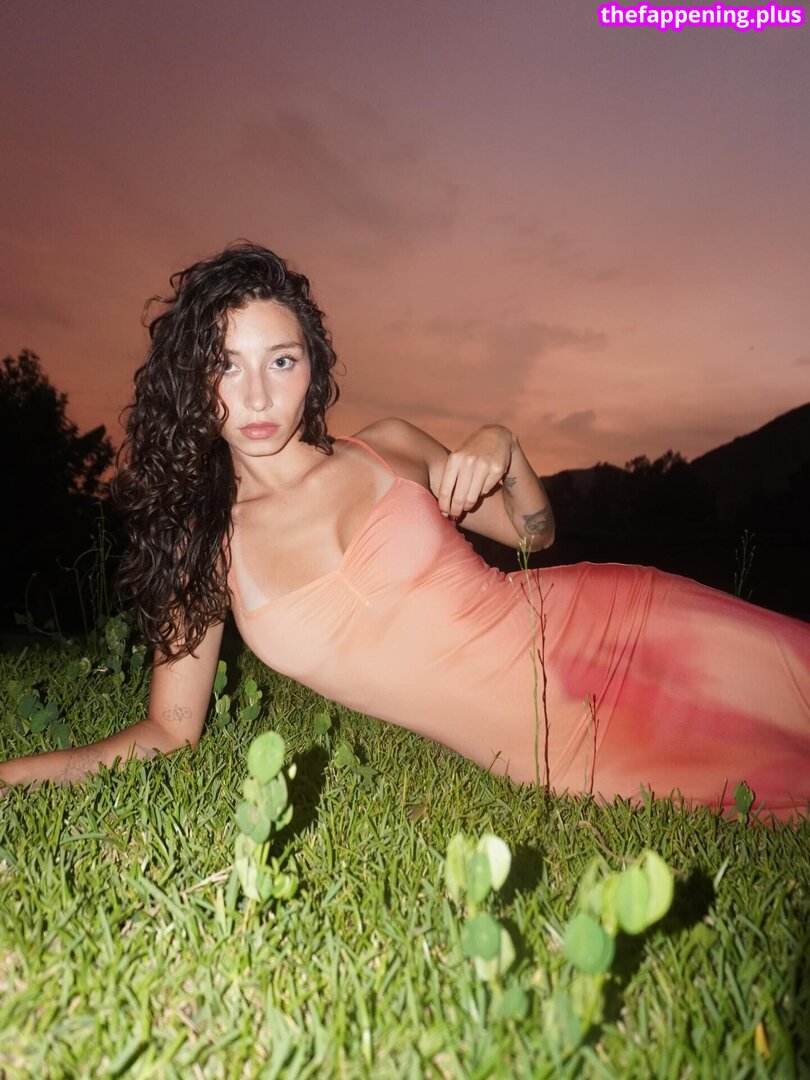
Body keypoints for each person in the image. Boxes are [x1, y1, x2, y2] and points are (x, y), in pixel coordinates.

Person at [2, 242, 809, 821]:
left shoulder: (384, 447)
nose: (257, 396)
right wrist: (11, 775)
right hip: (562, 752)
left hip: (624, 623)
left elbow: (533, 536)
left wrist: (505, 447)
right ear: (191, 380)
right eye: (226, 364)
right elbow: (169, 730)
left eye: (281, 361)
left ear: (312, 367)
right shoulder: (204, 546)